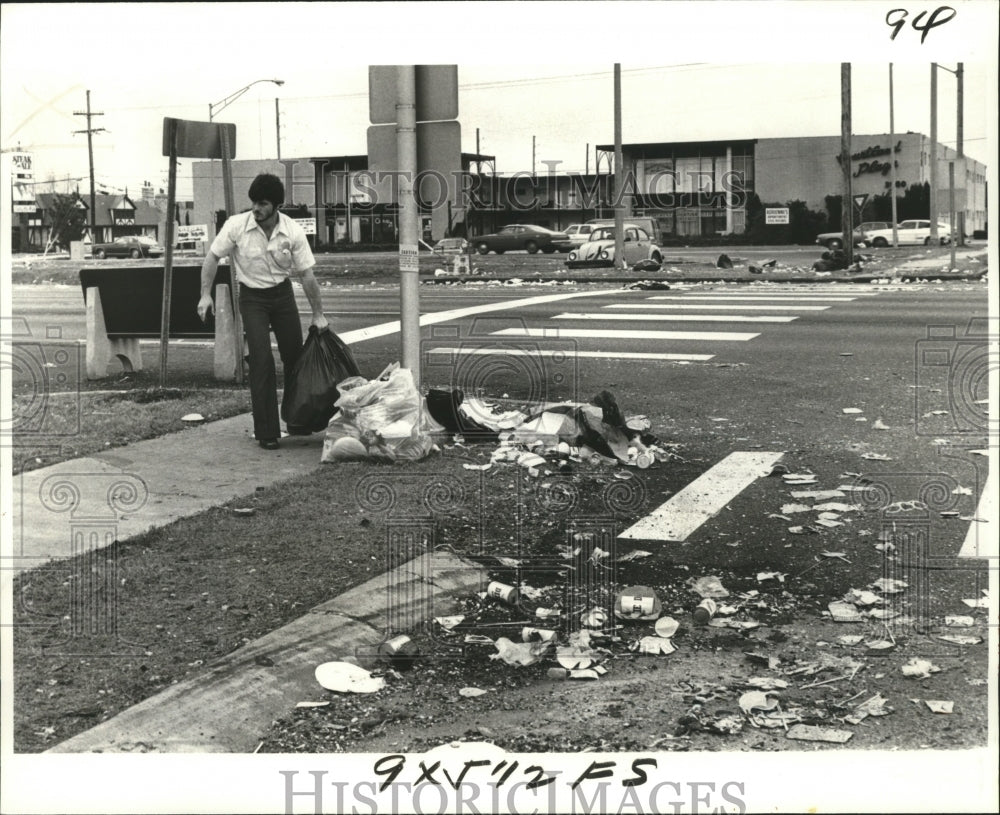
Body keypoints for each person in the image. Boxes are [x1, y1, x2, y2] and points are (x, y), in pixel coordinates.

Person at [197, 173, 328, 450]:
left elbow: (306, 274)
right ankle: (266, 431)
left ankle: (298, 420)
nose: (256, 209)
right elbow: (212, 257)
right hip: (252, 298)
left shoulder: (292, 231)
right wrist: (205, 295)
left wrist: (318, 314)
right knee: (261, 360)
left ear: (276, 206)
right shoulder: (236, 226)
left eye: (263, 204)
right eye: (254, 202)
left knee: (295, 358)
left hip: (282, 295)